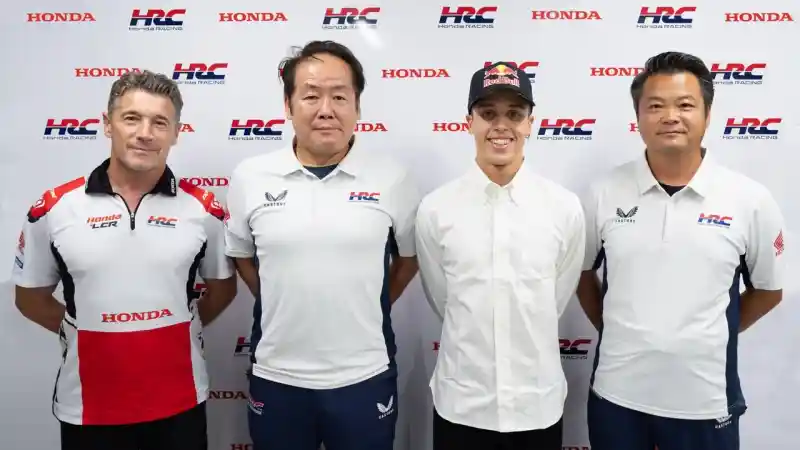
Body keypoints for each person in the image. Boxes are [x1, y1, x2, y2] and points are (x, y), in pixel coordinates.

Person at [12, 70, 237, 450]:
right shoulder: (56, 208)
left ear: (176, 133)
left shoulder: (203, 209)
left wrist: (173, 332)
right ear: (107, 124)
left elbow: (223, 290)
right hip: (89, 407)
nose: (145, 133)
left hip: (180, 401)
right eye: (131, 118)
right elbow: (30, 298)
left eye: (160, 122)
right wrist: (86, 334)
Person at [576, 51, 786, 450]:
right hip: (616, 395)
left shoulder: (749, 200)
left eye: (685, 105)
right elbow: (581, 272)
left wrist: (711, 333)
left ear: (707, 114)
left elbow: (768, 290)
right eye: (656, 106)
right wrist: (617, 327)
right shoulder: (603, 193)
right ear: (638, 117)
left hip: (704, 402)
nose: (670, 116)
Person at [224, 40, 420, 450]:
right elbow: (241, 255)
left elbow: (408, 258)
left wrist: (371, 301)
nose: (326, 109)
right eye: (311, 96)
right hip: (277, 377)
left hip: (364, 376)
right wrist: (280, 294)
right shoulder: (251, 177)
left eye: (339, 96)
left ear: (358, 107)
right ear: (288, 104)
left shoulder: (392, 178)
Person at [415, 61, 586, 450]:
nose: (501, 125)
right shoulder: (436, 209)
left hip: (536, 407)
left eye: (514, 114)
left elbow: (555, 299)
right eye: (488, 113)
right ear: (469, 122)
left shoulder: (563, 208)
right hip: (462, 407)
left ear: (530, 123)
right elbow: (444, 298)